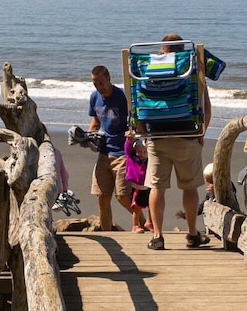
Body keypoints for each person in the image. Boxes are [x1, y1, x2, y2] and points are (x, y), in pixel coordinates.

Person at [142, 33, 210, 250]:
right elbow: (205, 105)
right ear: (182, 51)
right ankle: (191, 234)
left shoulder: (146, 69)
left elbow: (135, 101)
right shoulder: (191, 69)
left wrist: (142, 132)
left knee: (157, 187)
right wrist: (202, 132)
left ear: (162, 51)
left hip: (157, 135)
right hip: (187, 133)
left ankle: (157, 236)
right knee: (189, 187)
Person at [87, 65, 139, 231]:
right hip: (103, 152)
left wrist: (132, 135)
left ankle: (142, 223)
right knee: (102, 197)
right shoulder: (94, 97)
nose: (99, 87)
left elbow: (135, 122)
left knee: (122, 196)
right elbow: (95, 122)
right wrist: (87, 137)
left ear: (109, 79)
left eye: (101, 83)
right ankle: (106, 234)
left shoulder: (122, 97)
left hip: (122, 152)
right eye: (95, 84)